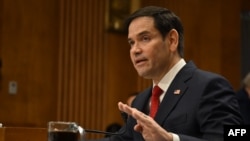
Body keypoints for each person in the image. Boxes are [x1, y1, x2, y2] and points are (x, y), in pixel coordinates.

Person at [88, 6, 243, 141]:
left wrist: (171, 139)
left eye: (145, 38)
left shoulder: (210, 86)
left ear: (172, 40)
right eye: (131, 42)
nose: (135, 50)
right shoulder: (140, 101)